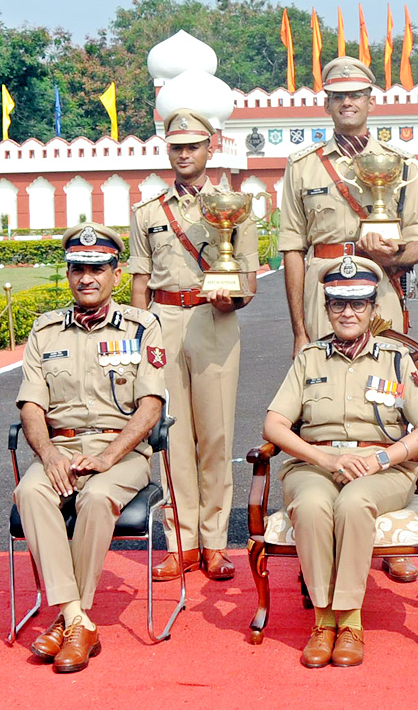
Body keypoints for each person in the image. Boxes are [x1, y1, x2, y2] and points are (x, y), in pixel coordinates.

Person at [278, 56, 418, 584]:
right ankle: (316, 530)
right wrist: (300, 328)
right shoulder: (303, 167)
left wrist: (389, 258)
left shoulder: (403, 165)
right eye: (338, 96)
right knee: (317, 399)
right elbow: (293, 250)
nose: (348, 103)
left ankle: (395, 527)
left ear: (371, 100)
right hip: (323, 291)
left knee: (389, 397)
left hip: (379, 294)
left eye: (358, 94)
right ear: (326, 103)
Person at [262, 256, 418, 668]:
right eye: (339, 304)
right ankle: (323, 621)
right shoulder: (309, 358)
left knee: (354, 503)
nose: (348, 313)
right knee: (310, 505)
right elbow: (274, 425)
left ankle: (350, 620)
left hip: (381, 467)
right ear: (326, 309)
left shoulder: (397, 359)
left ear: (373, 309)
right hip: (315, 463)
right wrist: (323, 458)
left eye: (358, 303)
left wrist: (382, 458)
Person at [13, 223, 167, 674]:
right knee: (30, 492)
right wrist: (48, 455)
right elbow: (31, 405)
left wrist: (106, 457)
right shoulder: (44, 331)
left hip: (119, 453)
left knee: (98, 497)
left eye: (98, 268)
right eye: (78, 268)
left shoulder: (143, 327)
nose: (87, 278)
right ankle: (78, 619)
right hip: (59, 449)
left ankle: (67, 620)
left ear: (116, 274)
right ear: (68, 274)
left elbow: (151, 407)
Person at [129, 109, 257, 583]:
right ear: (167, 149)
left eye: (193, 146)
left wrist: (232, 298)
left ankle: (215, 543)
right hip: (164, 322)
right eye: (176, 146)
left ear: (210, 148)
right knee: (172, 437)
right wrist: (137, 337)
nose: (184, 154)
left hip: (214, 320)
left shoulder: (235, 206)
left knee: (216, 435)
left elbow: (246, 276)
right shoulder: (149, 211)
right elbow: (140, 280)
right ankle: (179, 542)